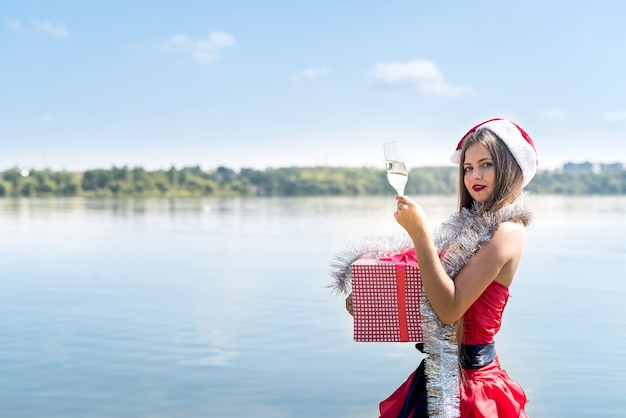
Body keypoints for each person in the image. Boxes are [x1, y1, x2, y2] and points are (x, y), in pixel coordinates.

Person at [345, 118, 537, 417]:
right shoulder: (470, 229)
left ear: (510, 168)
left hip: (473, 387)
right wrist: (374, 302)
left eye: (485, 164)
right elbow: (432, 296)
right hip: (438, 375)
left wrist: (419, 233)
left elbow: (450, 309)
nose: (475, 175)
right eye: (468, 167)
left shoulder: (508, 231)